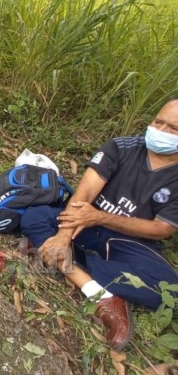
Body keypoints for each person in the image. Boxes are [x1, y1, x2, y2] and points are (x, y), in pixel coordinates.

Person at [19, 97, 178, 351]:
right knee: (34, 216)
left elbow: (161, 229)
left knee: (169, 291)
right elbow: (84, 195)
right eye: (158, 121)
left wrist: (102, 217)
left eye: (173, 128)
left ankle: (63, 257)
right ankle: (100, 293)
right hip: (83, 223)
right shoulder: (121, 147)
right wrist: (62, 235)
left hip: (128, 240)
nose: (161, 131)